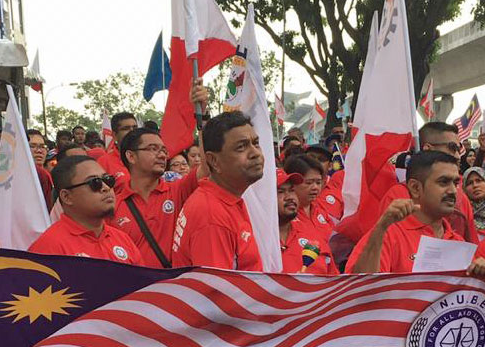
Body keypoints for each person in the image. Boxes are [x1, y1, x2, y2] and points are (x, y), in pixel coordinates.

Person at [347, 150, 485, 276]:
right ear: (415, 188)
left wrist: (482, 275)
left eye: (455, 183)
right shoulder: (387, 235)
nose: (453, 191)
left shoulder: (458, 243)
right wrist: (380, 229)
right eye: (443, 182)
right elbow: (361, 290)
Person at [172, 111, 266, 270]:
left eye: (255, 143)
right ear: (214, 161)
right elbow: (215, 292)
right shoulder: (212, 216)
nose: (255, 153)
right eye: (241, 147)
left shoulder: (222, 200)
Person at [112, 128, 202, 268]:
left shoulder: (177, 190)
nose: (162, 156)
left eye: (164, 151)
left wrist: (202, 122)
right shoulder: (113, 206)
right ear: (131, 156)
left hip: (173, 287)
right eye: (153, 149)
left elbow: (209, 167)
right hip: (136, 288)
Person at [29, 156, 142, 264]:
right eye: (95, 182)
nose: (106, 188)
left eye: (108, 180)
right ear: (67, 197)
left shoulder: (122, 239)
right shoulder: (48, 248)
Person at [379, 121, 478, 242]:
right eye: (452, 148)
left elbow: (472, 246)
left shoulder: (460, 196)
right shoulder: (397, 196)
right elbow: (384, 241)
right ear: (415, 188)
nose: (457, 155)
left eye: (459, 149)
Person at [277, 169, 337, 274]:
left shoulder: (313, 237)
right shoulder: (252, 238)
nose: (289, 197)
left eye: (291, 190)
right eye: (280, 192)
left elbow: (334, 281)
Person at [284, 155, 330, 233]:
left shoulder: (320, 209)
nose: (315, 187)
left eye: (318, 182)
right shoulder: (285, 216)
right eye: (309, 183)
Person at [97, 112, 139, 189]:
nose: (132, 132)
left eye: (135, 128)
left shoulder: (147, 157)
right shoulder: (103, 162)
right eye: (126, 128)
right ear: (114, 135)